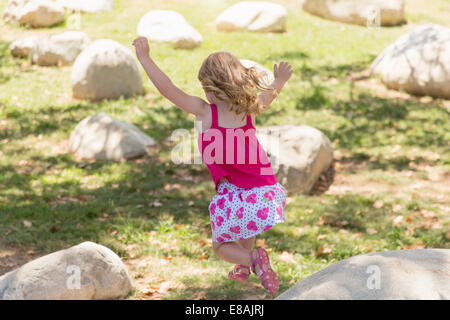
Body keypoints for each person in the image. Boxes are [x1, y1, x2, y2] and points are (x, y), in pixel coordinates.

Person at [132, 37, 293, 294]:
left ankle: (252, 260)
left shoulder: (205, 113)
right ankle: (243, 265)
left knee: (220, 247)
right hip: (264, 193)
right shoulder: (248, 109)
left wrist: (145, 59)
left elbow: (168, 89)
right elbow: (268, 97)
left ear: (209, 89)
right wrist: (280, 81)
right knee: (246, 224)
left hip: (235, 196)